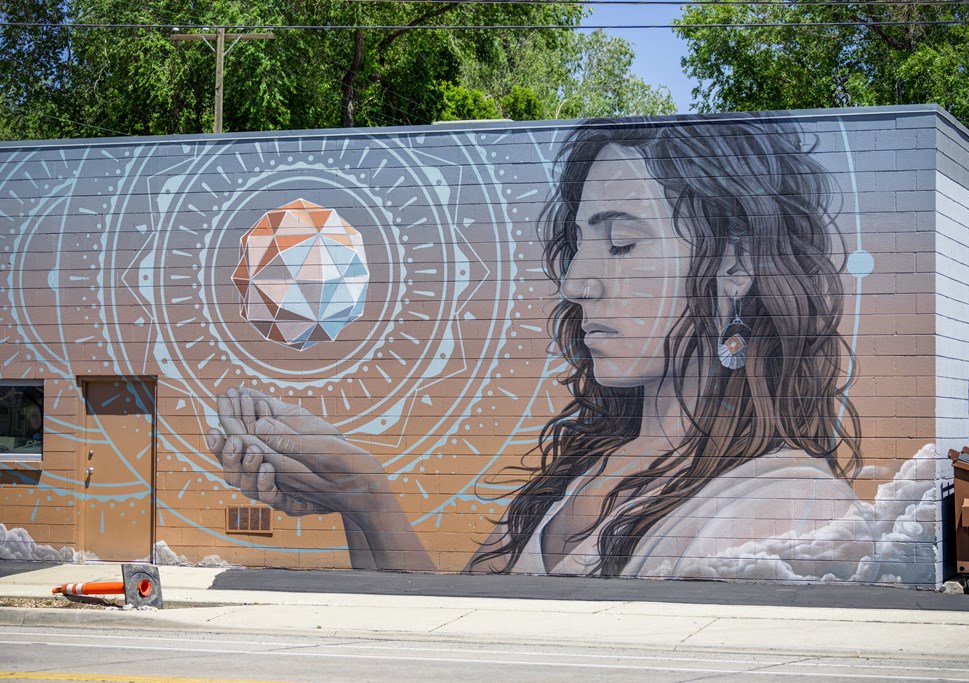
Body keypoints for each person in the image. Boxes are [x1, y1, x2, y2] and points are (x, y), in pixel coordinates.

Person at [208, 115, 876, 579]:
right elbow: (452, 633)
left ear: (735, 264)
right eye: (581, 244)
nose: (578, 281)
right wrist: (361, 494)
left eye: (621, 242)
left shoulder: (796, 508)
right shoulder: (585, 469)